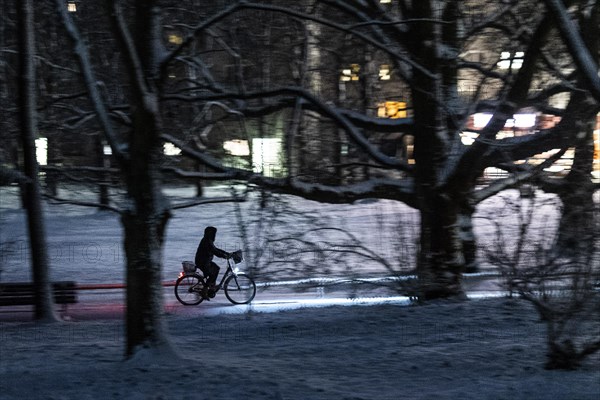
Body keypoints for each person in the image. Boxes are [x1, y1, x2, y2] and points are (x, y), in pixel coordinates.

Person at [195, 226, 230, 293]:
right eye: (214, 234)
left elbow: (215, 249)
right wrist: (224, 256)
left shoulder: (208, 240)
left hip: (205, 261)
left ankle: (211, 286)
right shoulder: (207, 241)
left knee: (216, 268)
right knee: (211, 274)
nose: (215, 235)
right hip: (202, 262)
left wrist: (226, 253)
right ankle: (204, 291)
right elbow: (215, 251)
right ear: (211, 234)